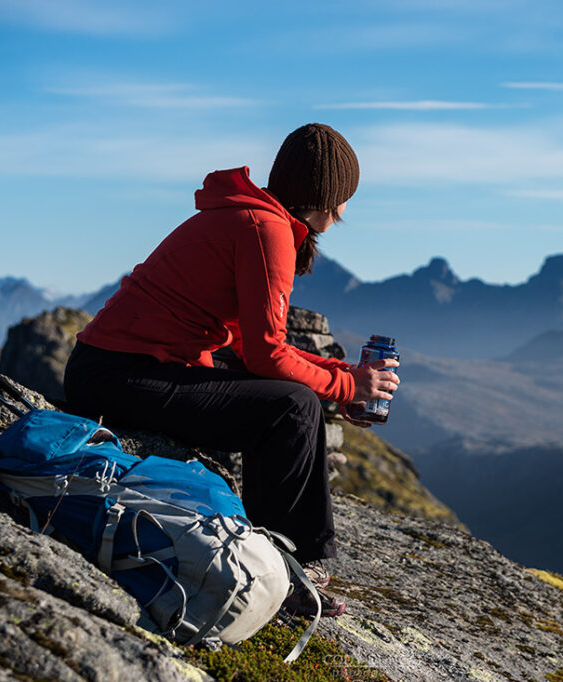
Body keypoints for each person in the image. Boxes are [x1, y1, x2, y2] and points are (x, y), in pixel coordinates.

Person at [63, 123, 399, 617]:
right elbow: (265, 356)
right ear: (327, 197)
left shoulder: (252, 217)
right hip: (118, 376)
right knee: (292, 407)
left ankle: (283, 557)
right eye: (345, 197)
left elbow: (250, 347)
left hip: (113, 368)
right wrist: (347, 384)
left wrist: (342, 377)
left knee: (288, 399)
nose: (346, 209)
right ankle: (292, 570)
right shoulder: (267, 231)